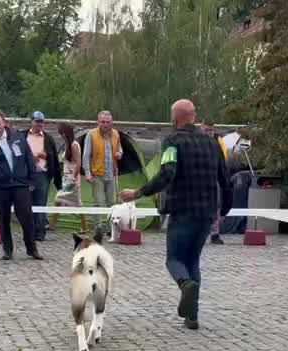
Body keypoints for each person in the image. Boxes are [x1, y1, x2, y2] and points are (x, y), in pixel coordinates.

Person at [120, 99, 231, 331]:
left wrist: (137, 193)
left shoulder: (172, 142)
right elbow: (225, 179)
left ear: (174, 119)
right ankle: (192, 316)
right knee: (193, 260)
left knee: (175, 260)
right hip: (206, 214)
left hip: (182, 212)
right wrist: (225, 208)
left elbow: (167, 174)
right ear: (194, 116)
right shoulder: (213, 143)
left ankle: (185, 284)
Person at [0, 111, 43, 261]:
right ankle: (7, 249)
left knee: (26, 217)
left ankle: (31, 249)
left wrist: (32, 180)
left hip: (20, 184)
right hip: (1, 187)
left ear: (4, 122)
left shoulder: (18, 138)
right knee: (4, 218)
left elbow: (29, 159)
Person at [26, 111, 61, 243]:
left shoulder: (48, 138)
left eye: (42, 122)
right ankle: (29, 231)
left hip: (42, 175)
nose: (40, 124)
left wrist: (46, 155)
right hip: (27, 175)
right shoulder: (23, 136)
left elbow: (54, 156)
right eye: (37, 121)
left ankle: (40, 232)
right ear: (32, 121)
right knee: (27, 203)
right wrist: (30, 157)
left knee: (41, 203)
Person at [83, 110, 123, 214]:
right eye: (103, 122)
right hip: (97, 174)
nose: (105, 124)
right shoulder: (91, 135)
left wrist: (119, 153)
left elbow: (120, 149)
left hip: (111, 174)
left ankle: (110, 227)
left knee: (112, 203)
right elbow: (86, 156)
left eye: (107, 122)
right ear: (98, 122)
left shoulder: (116, 134)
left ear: (111, 123)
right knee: (98, 202)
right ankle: (99, 226)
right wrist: (87, 173)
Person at [55, 122, 86, 233]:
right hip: (67, 177)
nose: (61, 136)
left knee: (76, 202)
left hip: (71, 179)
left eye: (62, 133)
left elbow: (78, 163)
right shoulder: (68, 144)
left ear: (66, 133)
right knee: (59, 200)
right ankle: (53, 224)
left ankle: (85, 226)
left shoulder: (73, 145)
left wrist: (73, 178)